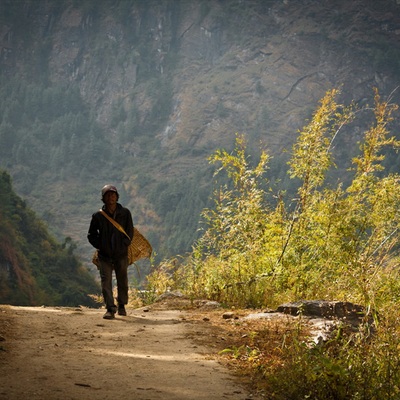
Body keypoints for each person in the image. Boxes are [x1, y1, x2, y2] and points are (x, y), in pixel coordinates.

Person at [88, 184, 134, 319]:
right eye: (108, 195)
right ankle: (110, 308)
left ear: (117, 197)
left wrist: (124, 244)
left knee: (122, 280)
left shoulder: (125, 213)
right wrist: (101, 245)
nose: (111, 197)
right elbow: (91, 234)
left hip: (121, 254)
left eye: (113, 194)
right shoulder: (98, 216)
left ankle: (122, 305)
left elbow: (130, 231)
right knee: (106, 281)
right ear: (103, 198)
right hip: (105, 255)